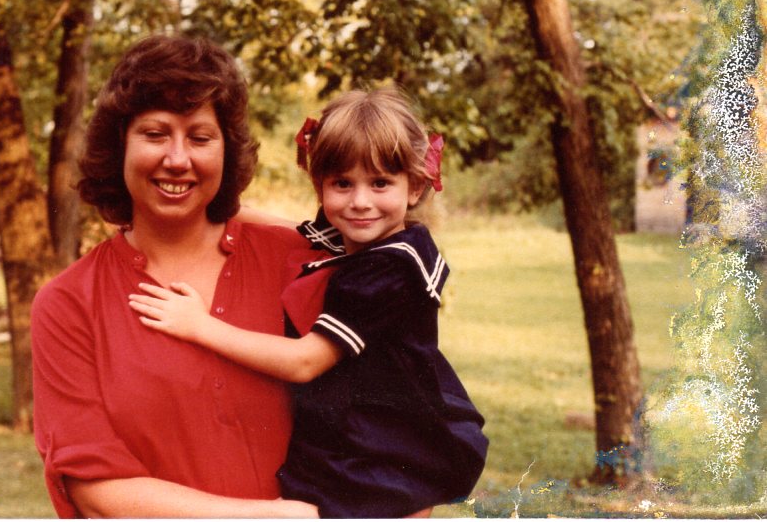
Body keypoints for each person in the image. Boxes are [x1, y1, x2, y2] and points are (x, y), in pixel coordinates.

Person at [129, 88, 489, 518]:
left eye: (379, 183)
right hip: (365, 431)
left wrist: (200, 325)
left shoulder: (390, 266)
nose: (359, 202)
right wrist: (221, 205)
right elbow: (296, 232)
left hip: (380, 451)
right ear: (321, 186)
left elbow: (305, 361)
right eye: (342, 184)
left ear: (414, 188)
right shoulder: (378, 238)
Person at [30, 34, 321, 518]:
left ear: (226, 150)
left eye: (200, 138)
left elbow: (398, 403)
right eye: (155, 134)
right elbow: (95, 489)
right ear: (119, 145)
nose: (178, 158)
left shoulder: (296, 264)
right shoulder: (68, 303)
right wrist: (275, 517)